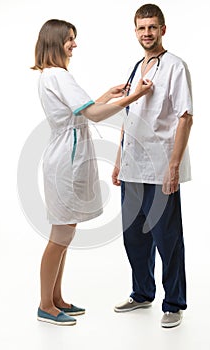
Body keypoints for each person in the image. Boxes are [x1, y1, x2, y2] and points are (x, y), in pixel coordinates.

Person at [31, 19, 152, 326]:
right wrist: (133, 97)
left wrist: (108, 95)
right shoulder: (58, 74)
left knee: (65, 233)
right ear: (56, 41)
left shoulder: (51, 75)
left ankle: (56, 298)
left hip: (63, 154)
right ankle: (46, 304)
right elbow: (93, 115)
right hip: (64, 161)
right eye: (70, 39)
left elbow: (81, 109)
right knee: (61, 235)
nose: (74, 44)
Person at [112, 4, 193, 328]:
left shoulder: (175, 66)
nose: (147, 33)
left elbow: (185, 117)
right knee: (134, 236)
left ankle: (173, 303)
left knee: (167, 239)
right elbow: (128, 115)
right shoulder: (137, 67)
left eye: (152, 27)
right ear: (135, 31)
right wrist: (118, 160)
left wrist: (173, 166)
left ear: (163, 29)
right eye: (141, 28)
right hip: (132, 167)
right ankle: (142, 293)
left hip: (159, 167)